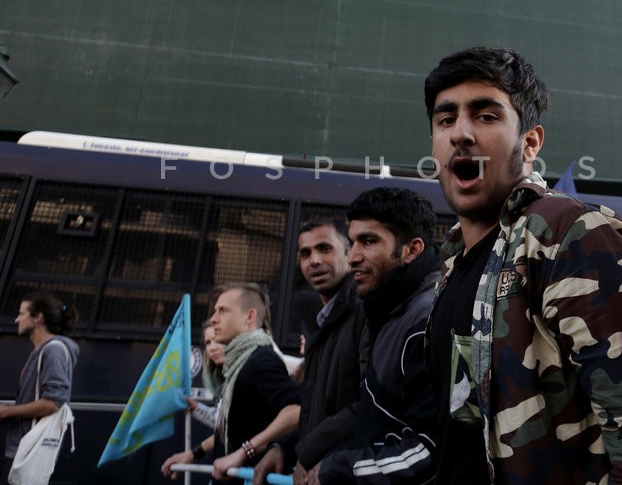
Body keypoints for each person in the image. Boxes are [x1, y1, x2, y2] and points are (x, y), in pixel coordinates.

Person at [423, 48, 622, 483]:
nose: (461, 134)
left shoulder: (572, 235)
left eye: (486, 116)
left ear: (529, 143)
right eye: (445, 119)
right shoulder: (453, 261)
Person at [313, 187, 441, 484]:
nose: (353, 257)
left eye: (369, 241)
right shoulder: (388, 308)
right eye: (352, 242)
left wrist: (338, 469)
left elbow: (429, 450)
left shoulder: (424, 322)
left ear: (412, 249)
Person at [254, 219, 367, 485]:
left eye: (325, 248)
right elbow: (315, 408)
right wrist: (283, 447)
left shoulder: (365, 312)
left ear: (349, 252)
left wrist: (307, 454)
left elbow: (369, 404)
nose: (314, 260)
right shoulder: (319, 323)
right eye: (305, 253)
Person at [161, 284, 301, 482]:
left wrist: (243, 453)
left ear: (250, 316)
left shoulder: (260, 361)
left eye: (223, 311)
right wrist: (192, 454)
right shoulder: (239, 365)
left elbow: (296, 410)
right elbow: (232, 431)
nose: (213, 318)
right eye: (215, 311)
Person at [0, 293, 79, 485]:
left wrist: (7, 411)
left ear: (38, 317)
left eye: (22, 313)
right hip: (23, 447)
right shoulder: (44, 350)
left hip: (27, 448)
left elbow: (53, 403)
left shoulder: (53, 350)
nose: (17, 319)